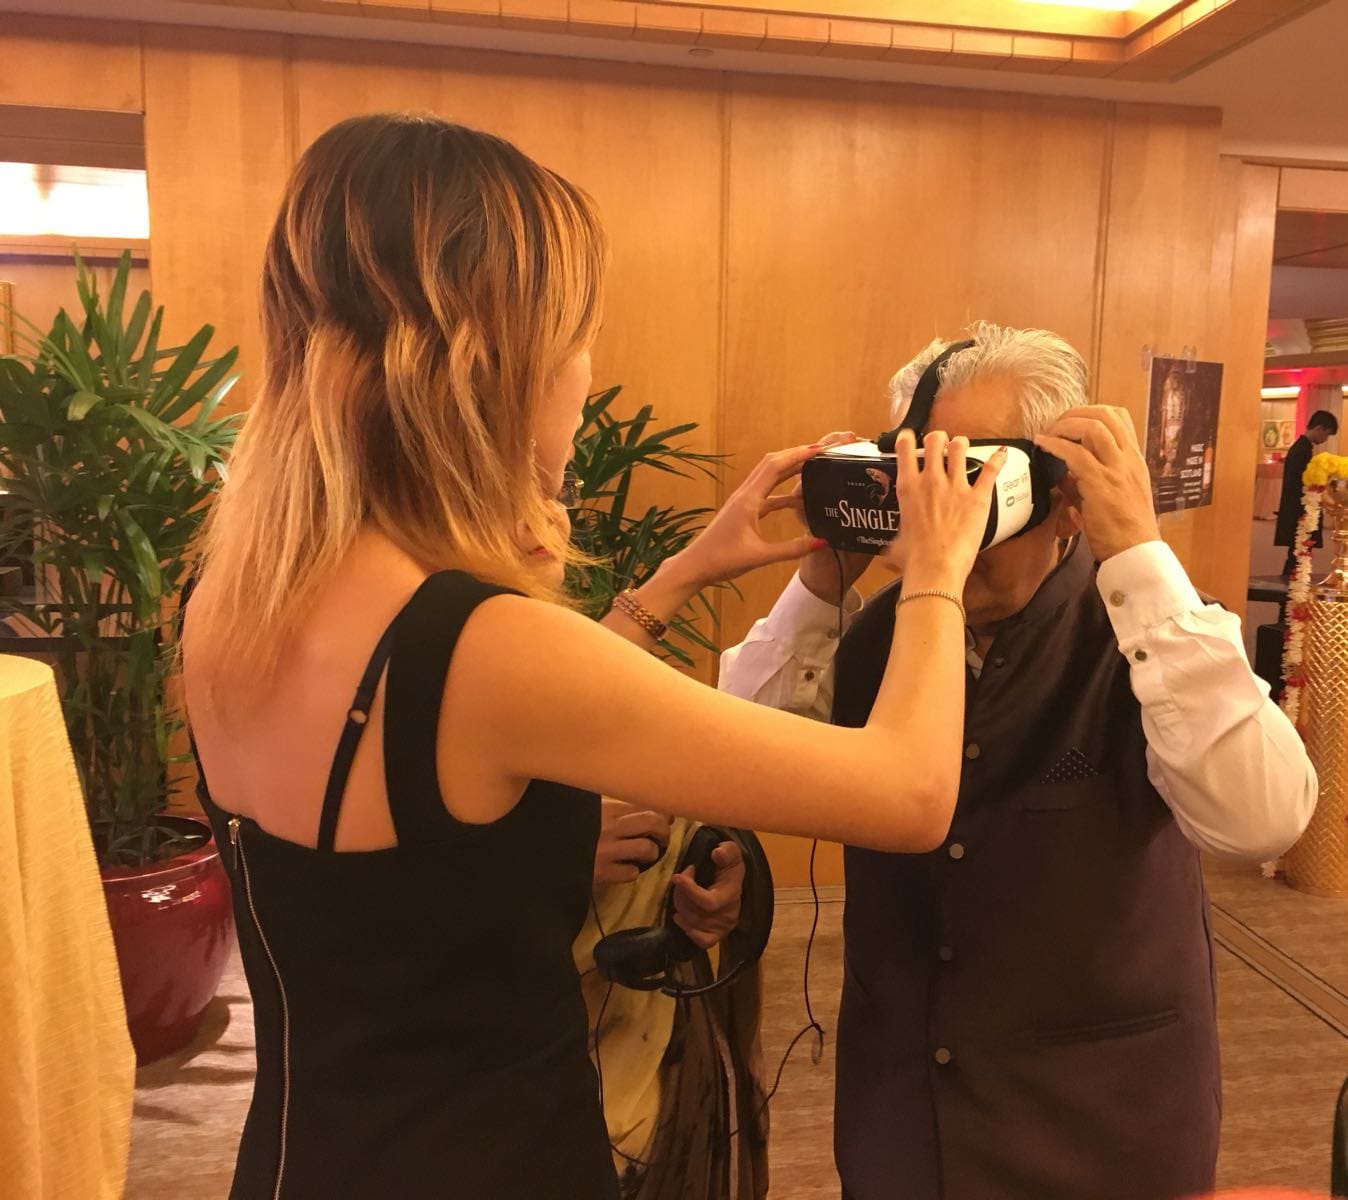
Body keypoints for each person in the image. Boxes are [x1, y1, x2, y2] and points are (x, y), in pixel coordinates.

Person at [179, 113, 1005, 1200]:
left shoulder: (235, 593)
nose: (582, 372)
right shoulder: (488, 645)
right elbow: (908, 791)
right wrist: (937, 565)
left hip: (304, 1156)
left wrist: (685, 575)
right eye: (577, 339)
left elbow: (452, 736)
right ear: (500, 362)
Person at [722, 324, 1318, 1200]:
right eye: (918, 479)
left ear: (1062, 498)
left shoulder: (1152, 635)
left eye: (968, 482)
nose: (943, 520)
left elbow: (1262, 820)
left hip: (1099, 1120)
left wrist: (1140, 553)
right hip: (903, 1113)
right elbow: (739, 765)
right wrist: (824, 574)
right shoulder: (873, 633)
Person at [577, 803, 765, 1200]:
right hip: (495, 1053)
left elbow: (702, 811)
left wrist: (718, 862)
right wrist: (551, 854)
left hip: (666, 1032)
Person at [1275, 409, 1339, 576]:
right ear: (1319, 428)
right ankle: (1291, 585)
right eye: (1327, 434)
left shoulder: (1302, 447)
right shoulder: (1302, 451)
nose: (1326, 439)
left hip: (1298, 507)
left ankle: (1293, 582)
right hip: (1300, 509)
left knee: (1297, 553)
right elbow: (1302, 483)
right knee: (1298, 552)